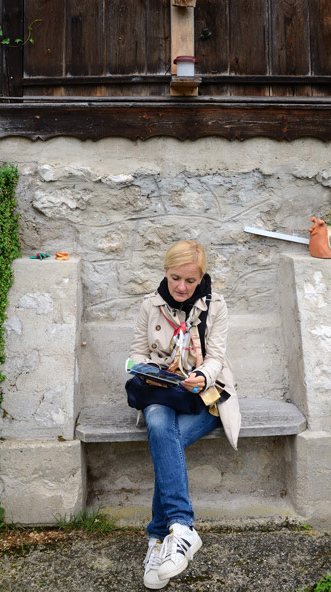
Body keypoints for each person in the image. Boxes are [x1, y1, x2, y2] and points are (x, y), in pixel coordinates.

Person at [128, 240, 240, 589]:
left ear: (201, 278)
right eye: (175, 278)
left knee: (164, 440)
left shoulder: (215, 305)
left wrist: (202, 375)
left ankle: (158, 538)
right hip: (161, 392)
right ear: (165, 272)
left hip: (204, 396)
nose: (181, 287)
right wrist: (149, 371)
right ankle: (181, 528)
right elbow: (136, 353)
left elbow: (217, 356)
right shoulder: (150, 305)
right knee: (159, 422)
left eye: (190, 281)